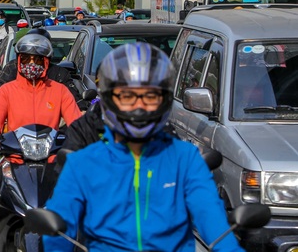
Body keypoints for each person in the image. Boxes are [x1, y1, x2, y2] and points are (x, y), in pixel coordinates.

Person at [43, 43, 243, 252]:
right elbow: (59, 233)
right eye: (127, 97)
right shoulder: (81, 164)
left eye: (150, 96)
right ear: (110, 99)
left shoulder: (186, 159)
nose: (139, 107)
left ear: (163, 100)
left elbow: (214, 225)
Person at [0, 33, 82, 206]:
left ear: (46, 62)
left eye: (37, 60)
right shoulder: (7, 91)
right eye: (26, 59)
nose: (31, 64)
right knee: (0, 199)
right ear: (18, 61)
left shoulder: (60, 91)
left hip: (50, 162)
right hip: (15, 159)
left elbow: (77, 123)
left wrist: (86, 144)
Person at [0, 28, 82, 103]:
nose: (32, 64)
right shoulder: (12, 68)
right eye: (26, 58)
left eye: (39, 58)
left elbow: (74, 101)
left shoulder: (60, 76)